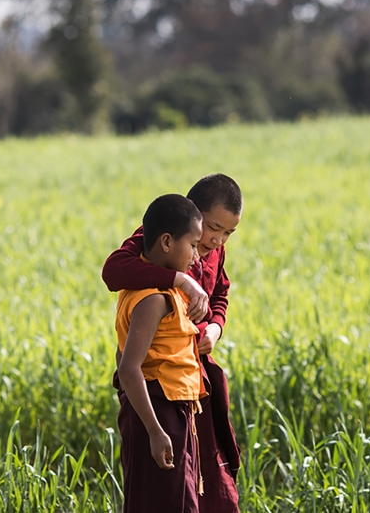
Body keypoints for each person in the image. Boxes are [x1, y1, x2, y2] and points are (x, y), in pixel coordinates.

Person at [103, 174, 242, 513]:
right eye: (212, 229)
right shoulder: (165, 239)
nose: (216, 242)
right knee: (164, 488)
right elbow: (113, 270)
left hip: (191, 379)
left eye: (228, 234)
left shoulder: (211, 250)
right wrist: (179, 280)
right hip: (159, 385)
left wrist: (214, 328)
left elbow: (220, 292)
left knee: (202, 478)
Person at [115, 193, 207, 512]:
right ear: (166, 242)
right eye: (193, 245)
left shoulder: (148, 286)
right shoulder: (153, 298)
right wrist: (154, 430)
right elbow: (128, 368)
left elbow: (120, 354)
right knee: (163, 502)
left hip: (165, 408)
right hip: (159, 411)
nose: (197, 257)